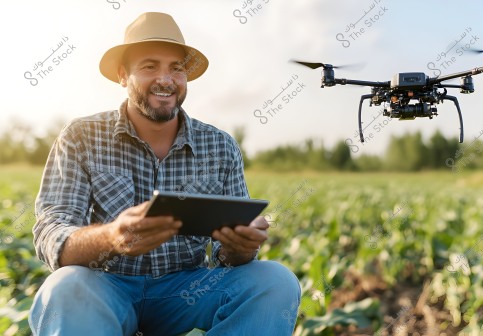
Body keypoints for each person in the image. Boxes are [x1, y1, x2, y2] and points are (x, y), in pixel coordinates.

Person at [29, 12, 300, 336]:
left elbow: (227, 260)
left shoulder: (220, 145)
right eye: (149, 66)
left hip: (186, 290)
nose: (166, 79)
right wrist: (112, 237)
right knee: (64, 287)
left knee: (275, 281)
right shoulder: (81, 136)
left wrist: (240, 247)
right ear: (121, 75)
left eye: (176, 68)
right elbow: (51, 231)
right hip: (104, 286)